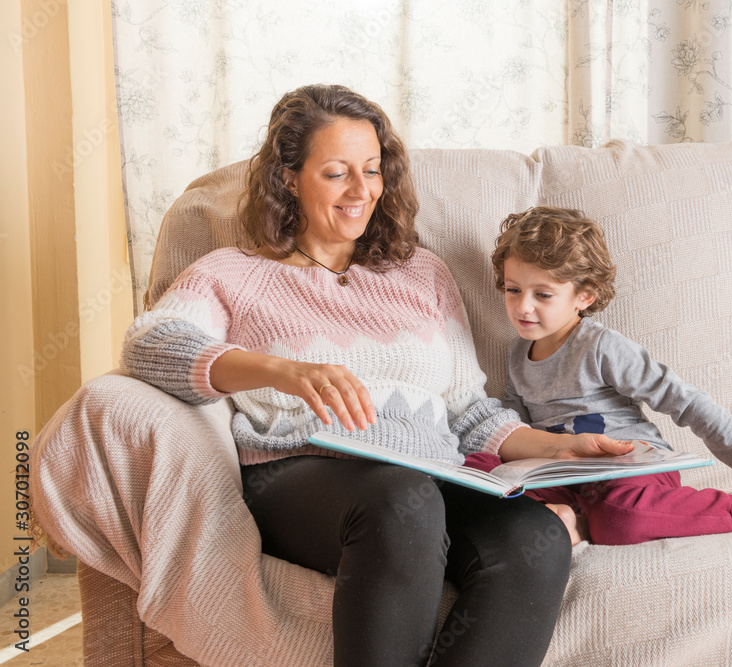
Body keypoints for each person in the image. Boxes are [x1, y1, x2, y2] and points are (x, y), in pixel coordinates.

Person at [120, 85, 633, 667]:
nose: (361, 191)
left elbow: (469, 411)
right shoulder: (235, 274)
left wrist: (567, 449)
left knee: (534, 540)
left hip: (430, 476)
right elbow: (150, 345)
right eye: (338, 173)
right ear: (289, 178)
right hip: (300, 476)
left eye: (372, 170)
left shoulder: (422, 274)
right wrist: (282, 371)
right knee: (402, 497)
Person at [465, 206, 732, 546]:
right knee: (476, 469)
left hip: (630, 472)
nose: (522, 307)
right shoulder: (517, 353)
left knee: (620, 517)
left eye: (542, 295)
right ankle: (573, 520)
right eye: (513, 290)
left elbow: (688, 403)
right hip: (563, 474)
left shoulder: (600, 347)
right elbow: (514, 429)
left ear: (584, 296)